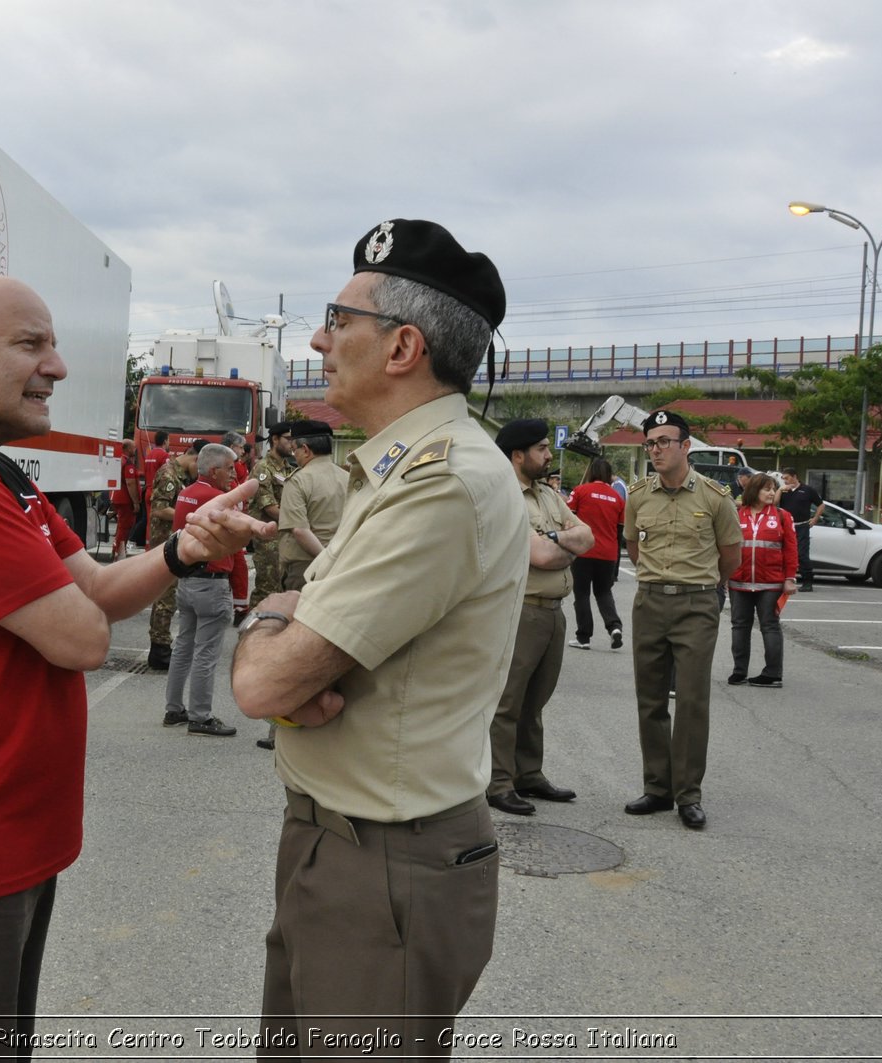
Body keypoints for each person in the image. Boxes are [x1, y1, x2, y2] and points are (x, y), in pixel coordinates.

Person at [0, 275, 269, 1054]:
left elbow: (99, 590)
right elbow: (81, 637)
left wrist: (184, 548)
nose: (59, 366)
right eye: (32, 344)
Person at [231, 218, 523, 1055]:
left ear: (402, 348)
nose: (320, 339)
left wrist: (271, 627)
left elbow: (264, 688)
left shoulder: (441, 484)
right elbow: (286, 650)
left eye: (338, 319)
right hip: (340, 844)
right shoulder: (398, 467)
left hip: (385, 864)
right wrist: (277, 622)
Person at [622, 409, 740, 831]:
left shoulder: (714, 496)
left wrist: (704, 589)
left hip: (696, 605)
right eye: (650, 443)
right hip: (650, 602)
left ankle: (688, 794)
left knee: (690, 700)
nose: (656, 450)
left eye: (664, 442)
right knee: (650, 698)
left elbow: (730, 557)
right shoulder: (637, 495)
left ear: (685, 446)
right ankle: (657, 788)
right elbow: (634, 548)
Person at [486, 419, 593, 817]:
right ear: (518, 455)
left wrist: (557, 541)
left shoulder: (547, 495)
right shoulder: (502, 496)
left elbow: (588, 536)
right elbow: (546, 556)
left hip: (552, 613)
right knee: (507, 701)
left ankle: (528, 773)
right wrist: (563, 543)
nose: (550, 455)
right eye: (542, 448)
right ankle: (497, 782)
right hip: (519, 610)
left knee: (535, 700)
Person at [164, 443, 244, 737]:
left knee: (184, 646)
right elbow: (236, 547)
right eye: (229, 468)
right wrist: (241, 595)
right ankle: (201, 716)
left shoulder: (187, 493)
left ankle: (174, 708)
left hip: (187, 579)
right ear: (214, 470)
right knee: (206, 654)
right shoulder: (219, 499)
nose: (233, 475)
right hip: (211, 582)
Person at [727, 472, 798, 688]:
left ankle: (772, 673)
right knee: (739, 626)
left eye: (773, 489)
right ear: (753, 491)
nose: (770, 493)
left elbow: (791, 549)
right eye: (766, 488)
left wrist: (790, 578)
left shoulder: (782, 515)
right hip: (739, 581)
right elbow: (726, 547)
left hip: (771, 583)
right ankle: (739, 671)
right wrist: (723, 574)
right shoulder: (737, 514)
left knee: (770, 626)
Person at [276, 419, 348, 591]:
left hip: (307, 566)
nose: (295, 456)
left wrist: (324, 560)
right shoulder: (347, 478)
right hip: (341, 562)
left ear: (306, 450)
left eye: (294, 451)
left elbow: (300, 530)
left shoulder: (299, 481)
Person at [145, 443, 200, 670]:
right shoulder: (168, 473)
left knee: (170, 597)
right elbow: (159, 509)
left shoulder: (179, 475)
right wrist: (190, 516)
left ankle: (162, 646)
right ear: (194, 458)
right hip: (164, 544)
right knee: (165, 599)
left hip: (173, 543)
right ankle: (159, 649)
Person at [567, 457, 627, 651]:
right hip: (608, 553)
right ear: (609, 475)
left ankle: (583, 637)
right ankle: (614, 627)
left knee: (582, 593)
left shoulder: (580, 491)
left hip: (584, 550)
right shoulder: (617, 498)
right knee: (603, 592)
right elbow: (619, 530)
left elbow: (568, 517)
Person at [248, 422, 294, 610]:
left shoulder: (288, 468)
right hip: (268, 538)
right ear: (275, 439)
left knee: (283, 588)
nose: (292, 444)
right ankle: (251, 631)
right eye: (289, 439)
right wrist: (298, 521)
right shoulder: (263, 468)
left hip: (285, 535)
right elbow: (270, 508)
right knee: (267, 589)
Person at [222, 430, 253, 621]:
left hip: (234, 522)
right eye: (241, 447)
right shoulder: (226, 465)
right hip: (228, 525)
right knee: (236, 568)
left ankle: (239, 608)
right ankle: (239, 609)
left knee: (238, 569)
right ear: (232, 447)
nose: (243, 451)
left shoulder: (235, 465)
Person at [777, 468, 823, 591]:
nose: (785, 481)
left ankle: (807, 582)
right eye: (783, 478)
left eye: (786, 478)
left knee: (802, 554)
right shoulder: (783, 491)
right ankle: (783, 579)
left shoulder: (807, 490)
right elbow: (774, 503)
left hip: (802, 526)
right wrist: (780, 490)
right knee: (783, 552)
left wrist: (815, 519)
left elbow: (821, 504)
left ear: (794, 476)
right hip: (786, 526)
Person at [110, 440, 140, 559]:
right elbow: (130, 483)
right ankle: (119, 552)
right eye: (134, 447)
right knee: (125, 527)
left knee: (120, 526)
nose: (135, 450)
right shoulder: (127, 463)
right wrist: (136, 502)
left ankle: (116, 549)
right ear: (127, 449)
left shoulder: (118, 460)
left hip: (117, 497)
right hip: (125, 499)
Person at [142, 430, 169, 509]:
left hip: (148, 491)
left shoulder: (149, 454)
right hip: (158, 492)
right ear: (165, 441)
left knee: (149, 520)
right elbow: (168, 474)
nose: (169, 443)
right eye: (168, 440)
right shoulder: (164, 455)